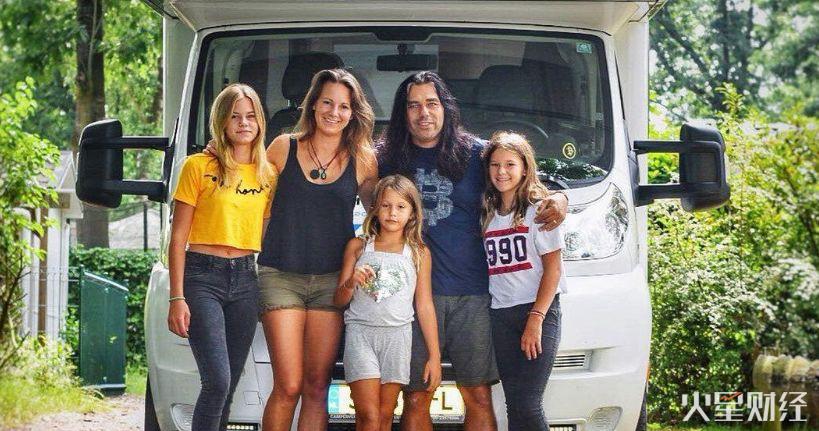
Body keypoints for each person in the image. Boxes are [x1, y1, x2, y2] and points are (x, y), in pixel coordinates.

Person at [377, 71, 568, 431]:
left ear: (445, 108)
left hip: (475, 296)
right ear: (403, 112)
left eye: (431, 103)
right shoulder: (387, 158)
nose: (424, 113)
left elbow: (522, 176)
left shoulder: (478, 154)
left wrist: (560, 197)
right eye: (413, 105)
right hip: (414, 296)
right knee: (416, 396)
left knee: (477, 395)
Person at [256, 69, 379, 431]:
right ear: (313, 104)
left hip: (332, 281)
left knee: (316, 387)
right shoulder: (283, 147)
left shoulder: (363, 158)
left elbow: (382, 215)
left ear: (353, 113)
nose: (334, 112)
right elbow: (249, 195)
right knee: (288, 384)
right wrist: (220, 151)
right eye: (327, 102)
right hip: (280, 275)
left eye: (343, 106)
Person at [167, 83, 276, 431]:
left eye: (250, 116)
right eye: (235, 117)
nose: (244, 123)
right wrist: (176, 297)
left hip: (245, 279)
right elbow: (177, 238)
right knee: (217, 381)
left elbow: (264, 230)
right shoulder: (197, 166)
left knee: (226, 390)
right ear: (222, 122)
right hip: (202, 277)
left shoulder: (267, 174)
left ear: (260, 122)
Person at [334, 174, 442, 431]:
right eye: (386, 205)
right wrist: (351, 282)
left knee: (384, 415)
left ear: (412, 213)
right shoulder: (358, 246)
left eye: (401, 207)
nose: (392, 213)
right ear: (375, 208)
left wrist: (434, 356)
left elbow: (424, 305)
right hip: (361, 334)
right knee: (369, 415)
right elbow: (339, 300)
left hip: (398, 337)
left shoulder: (419, 252)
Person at [481, 132, 566, 430]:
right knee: (514, 404)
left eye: (510, 164)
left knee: (529, 404)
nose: (501, 172)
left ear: (525, 168)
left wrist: (536, 318)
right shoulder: (487, 213)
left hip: (537, 311)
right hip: (501, 315)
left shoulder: (539, 211)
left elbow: (553, 270)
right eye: (495, 165)